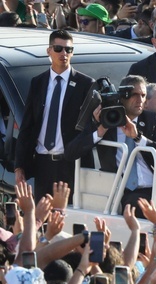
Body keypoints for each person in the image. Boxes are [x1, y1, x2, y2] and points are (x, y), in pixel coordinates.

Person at [65, 75, 156, 219]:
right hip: (122, 190)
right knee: (138, 206)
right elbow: (71, 153)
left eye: (143, 95)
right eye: (134, 95)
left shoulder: (152, 120)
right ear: (122, 97)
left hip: (154, 188)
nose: (140, 100)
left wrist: (138, 138)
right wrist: (99, 132)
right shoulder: (107, 118)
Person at [15, 29, 96, 202]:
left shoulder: (85, 84)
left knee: (69, 221)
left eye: (68, 50)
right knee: (42, 221)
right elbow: (27, 126)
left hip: (71, 164)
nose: (64, 53)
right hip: (42, 164)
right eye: (58, 49)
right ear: (49, 51)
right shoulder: (38, 82)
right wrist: (20, 166)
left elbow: (89, 127)